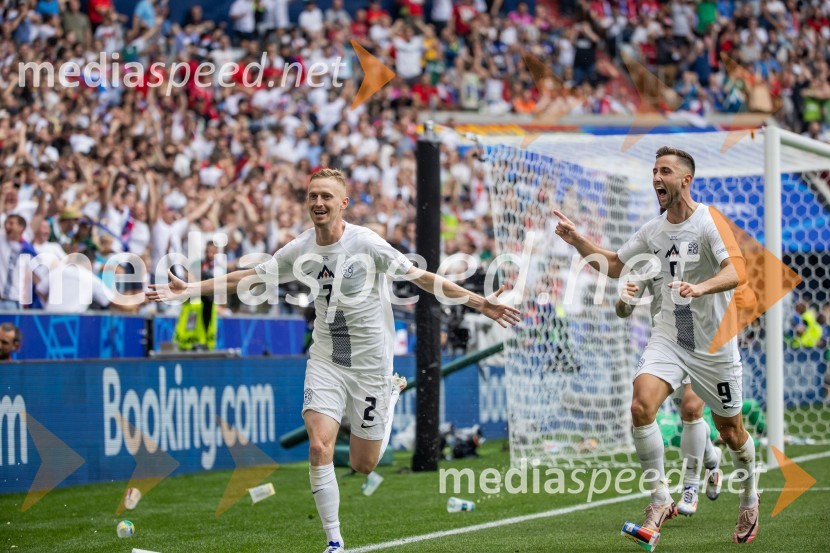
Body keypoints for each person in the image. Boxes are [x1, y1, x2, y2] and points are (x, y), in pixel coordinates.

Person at [148, 168, 521, 553]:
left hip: (371, 365)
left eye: (327, 196)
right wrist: (192, 288)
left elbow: (423, 278)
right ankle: (334, 540)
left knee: (364, 464)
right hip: (326, 357)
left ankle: (390, 395)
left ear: (343, 203)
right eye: (313, 196)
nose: (319, 203)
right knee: (319, 446)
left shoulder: (367, 244)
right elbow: (252, 277)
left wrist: (480, 303)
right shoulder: (301, 248)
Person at [554, 147, 759, 544]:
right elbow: (614, 264)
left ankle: (749, 496)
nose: (656, 178)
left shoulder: (708, 221)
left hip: (713, 342)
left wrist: (699, 287)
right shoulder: (652, 232)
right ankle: (660, 496)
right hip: (669, 336)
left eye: (664, 171)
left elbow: (738, 270)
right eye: (653, 171)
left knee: (731, 430)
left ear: (685, 179)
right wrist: (578, 240)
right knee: (640, 404)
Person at [616, 273, 723, 516]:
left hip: (704, 341)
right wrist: (624, 300)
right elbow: (623, 310)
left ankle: (690, 487)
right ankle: (712, 458)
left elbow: (730, 276)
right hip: (667, 346)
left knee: (691, 409)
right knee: (684, 415)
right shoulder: (653, 249)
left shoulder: (704, 242)